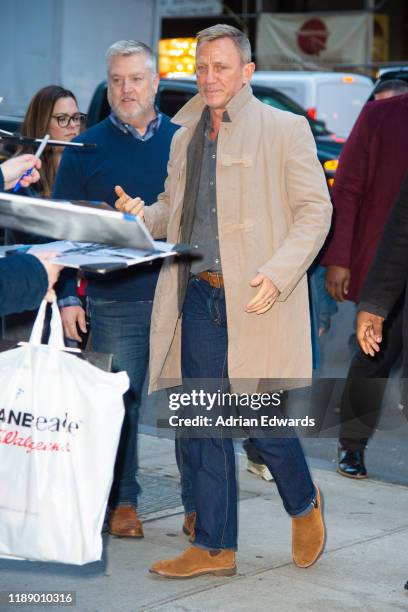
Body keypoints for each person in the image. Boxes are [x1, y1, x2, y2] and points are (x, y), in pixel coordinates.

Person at [115, 24, 332, 578]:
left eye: (222, 66)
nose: (210, 77)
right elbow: (175, 209)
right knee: (203, 423)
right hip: (200, 298)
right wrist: (143, 217)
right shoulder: (185, 133)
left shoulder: (285, 130)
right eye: (203, 67)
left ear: (247, 73)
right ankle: (214, 546)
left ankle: (303, 501)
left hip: (258, 299)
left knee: (263, 426)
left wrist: (279, 274)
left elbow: (315, 212)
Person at [53, 40, 179, 539]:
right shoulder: (86, 147)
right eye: (118, 80)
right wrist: (66, 295)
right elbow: (61, 228)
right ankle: (122, 502)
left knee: (187, 406)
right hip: (114, 298)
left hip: (179, 294)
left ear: (156, 83)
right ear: (109, 85)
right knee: (116, 408)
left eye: (136, 78)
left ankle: (199, 503)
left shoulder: (185, 140)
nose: (127, 89)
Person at [322, 91, 408, 479]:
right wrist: (339, 258)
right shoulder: (380, 116)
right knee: (374, 355)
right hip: (384, 264)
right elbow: (348, 189)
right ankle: (352, 445)